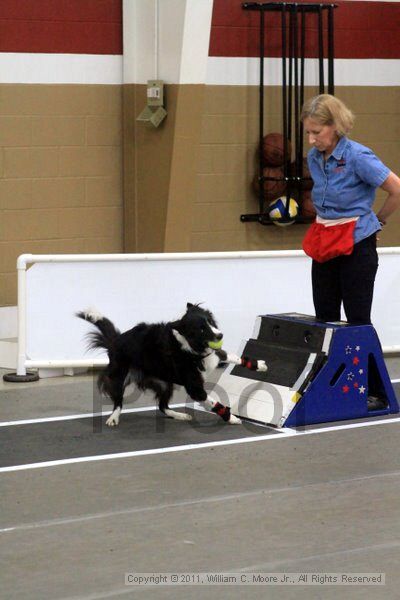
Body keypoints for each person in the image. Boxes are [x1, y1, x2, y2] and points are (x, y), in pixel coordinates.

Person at [300, 94, 400, 410]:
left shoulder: (358, 156)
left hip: (357, 245)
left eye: (318, 132)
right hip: (325, 241)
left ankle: (376, 391)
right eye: (309, 132)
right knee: (325, 317)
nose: (313, 139)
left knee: (358, 320)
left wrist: (378, 220)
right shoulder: (315, 158)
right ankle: (332, 386)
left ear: (336, 127)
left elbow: (397, 189)